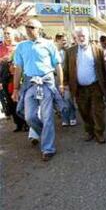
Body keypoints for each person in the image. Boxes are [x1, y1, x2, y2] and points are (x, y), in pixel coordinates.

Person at [12, 19, 65, 161]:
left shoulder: (48, 45)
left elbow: (58, 65)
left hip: (46, 83)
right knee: (29, 117)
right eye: (26, 27)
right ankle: (45, 135)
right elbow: (18, 68)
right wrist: (16, 88)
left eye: (32, 27)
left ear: (39, 29)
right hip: (30, 84)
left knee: (47, 117)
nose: (28, 29)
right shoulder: (21, 46)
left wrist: (61, 84)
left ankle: (48, 148)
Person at [64, 28, 106, 143]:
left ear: (88, 36)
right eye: (79, 36)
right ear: (75, 38)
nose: (81, 38)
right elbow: (66, 69)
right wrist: (65, 84)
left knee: (97, 111)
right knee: (84, 111)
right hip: (79, 88)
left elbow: (103, 69)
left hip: (95, 86)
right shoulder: (70, 52)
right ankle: (90, 131)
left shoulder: (97, 50)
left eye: (83, 36)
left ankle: (99, 133)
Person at [0, 27, 27, 132]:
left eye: (8, 33)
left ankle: (26, 123)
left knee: (21, 100)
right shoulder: (1, 47)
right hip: (5, 77)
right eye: (5, 33)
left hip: (19, 76)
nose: (6, 35)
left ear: (13, 34)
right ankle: (18, 124)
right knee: (10, 102)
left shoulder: (19, 46)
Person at [55, 33, 77, 126]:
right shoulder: (53, 51)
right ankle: (65, 118)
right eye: (61, 40)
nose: (64, 42)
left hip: (67, 78)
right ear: (57, 40)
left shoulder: (68, 51)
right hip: (56, 79)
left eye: (65, 40)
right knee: (60, 99)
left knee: (68, 98)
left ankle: (72, 116)